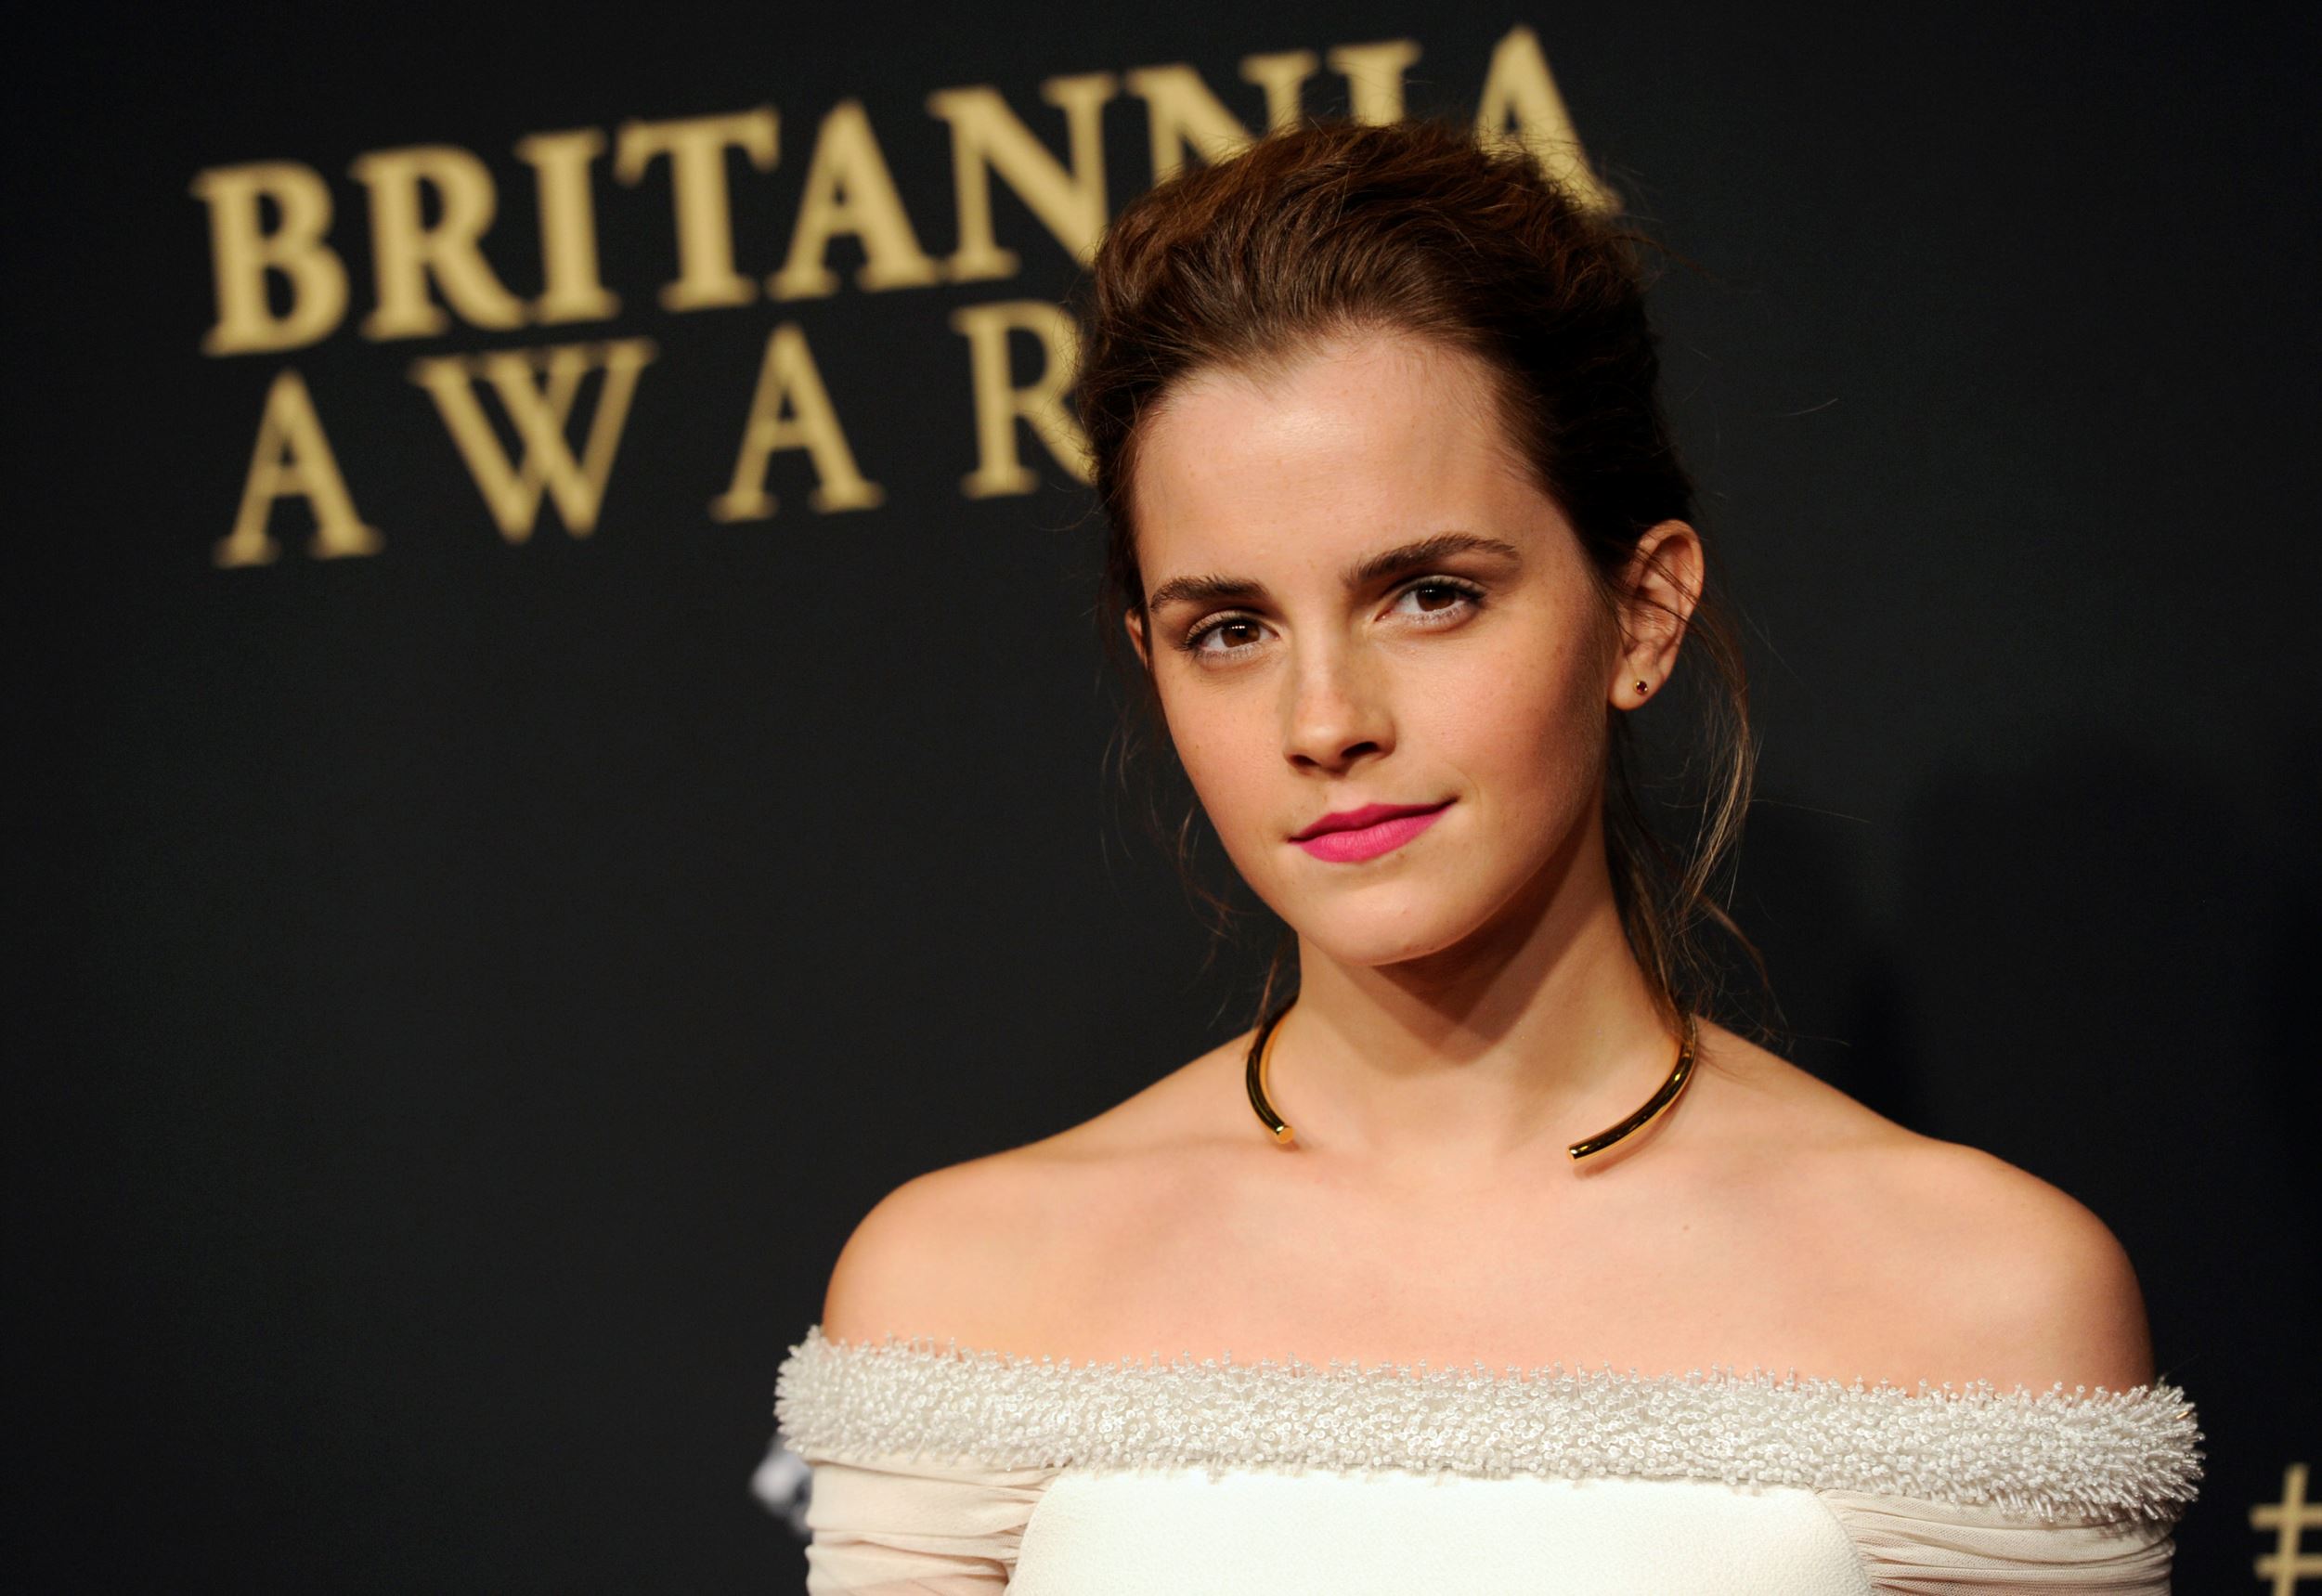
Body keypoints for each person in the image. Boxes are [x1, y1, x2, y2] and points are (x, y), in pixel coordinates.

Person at [772, 116, 2202, 1592]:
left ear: (1640, 612)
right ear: (1152, 663)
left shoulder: (1975, 1297)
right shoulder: (961, 1291)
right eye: (1230, 630)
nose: (1324, 722)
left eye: (1430, 596)